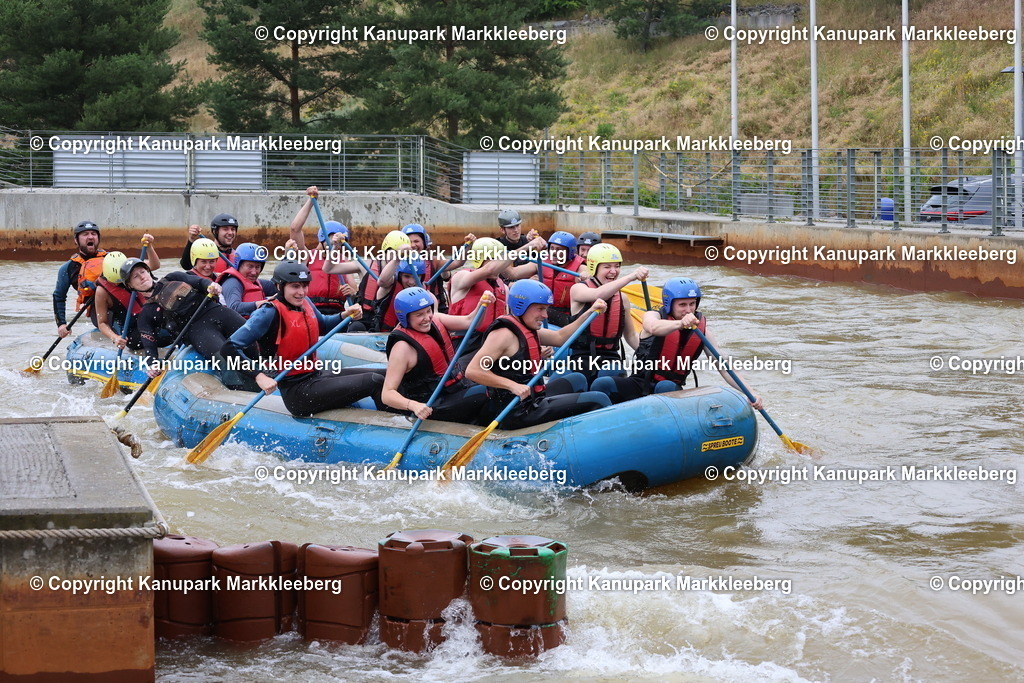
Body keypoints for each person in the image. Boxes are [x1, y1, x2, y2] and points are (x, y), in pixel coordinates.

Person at [220, 261, 384, 417]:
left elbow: (323, 326)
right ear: (279, 286)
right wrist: (259, 376)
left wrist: (345, 315)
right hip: (297, 392)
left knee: (384, 373)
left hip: (315, 375)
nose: (301, 292)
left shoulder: (304, 302)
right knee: (374, 381)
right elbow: (229, 348)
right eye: (295, 286)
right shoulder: (268, 312)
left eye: (305, 285)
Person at [591, 278, 764, 408]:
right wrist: (680, 324)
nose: (688, 310)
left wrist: (751, 392)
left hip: (671, 389)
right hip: (640, 383)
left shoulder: (702, 332)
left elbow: (725, 367)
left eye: (692, 304)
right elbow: (653, 327)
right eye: (682, 305)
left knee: (665, 386)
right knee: (602, 384)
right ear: (669, 304)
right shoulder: (654, 316)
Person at [465, 280, 612, 430]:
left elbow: (560, 337)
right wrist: (512, 385)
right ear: (521, 306)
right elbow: (473, 371)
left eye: (546, 309)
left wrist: (590, 312)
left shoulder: (525, 327)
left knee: (577, 379)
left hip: (534, 398)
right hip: (516, 411)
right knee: (598, 399)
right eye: (540, 309)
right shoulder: (503, 335)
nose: (545, 315)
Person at [381, 287, 494, 424]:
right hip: (432, 404)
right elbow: (387, 394)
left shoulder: (436, 319)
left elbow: (470, 322)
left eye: (428, 311)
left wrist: (482, 304)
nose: (426, 318)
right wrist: (413, 405)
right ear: (405, 317)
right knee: (487, 391)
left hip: (454, 388)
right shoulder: (402, 348)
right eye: (419, 315)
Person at [136, 269, 248, 381]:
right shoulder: (146, 313)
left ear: (148, 272)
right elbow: (149, 345)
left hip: (214, 310)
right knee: (224, 358)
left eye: (142, 272)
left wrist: (211, 285)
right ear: (130, 285)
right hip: (196, 330)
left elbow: (198, 282)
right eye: (135, 276)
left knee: (250, 334)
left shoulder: (173, 276)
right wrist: (152, 365)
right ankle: (239, 385)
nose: (141, 277)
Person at [447, 235, 543, 358]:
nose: (499, 264)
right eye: (493, 259)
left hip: (493, 342)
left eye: (500, 259)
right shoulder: (462, 278)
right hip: (465, 343)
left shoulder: (503, 287)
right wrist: (528, 246)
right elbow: (489, 270)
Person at [568, 244, 645, 385]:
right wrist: (632, 276)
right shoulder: (578, 289)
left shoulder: (623, 299)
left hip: (611, 357)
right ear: (593, 267)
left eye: (617, 266)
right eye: (607, 267)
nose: (613, 271)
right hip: (582, 358)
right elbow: (598, 294)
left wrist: (649, 355)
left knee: (609, 377)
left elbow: (631, 335)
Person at [289, 186, 362, 314]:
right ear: (323, 238)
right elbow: (295, 229)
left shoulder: (343, 261)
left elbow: (355, 290)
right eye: (333, 240)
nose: (336, 245)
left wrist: (352, 292)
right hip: (311, 311)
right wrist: (311, 201)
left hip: (337, 313)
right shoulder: (306, 256)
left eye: (340, 243)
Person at [94, 241, 161, 348]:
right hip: (133, 330)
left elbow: (155, 265)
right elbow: (102, 323)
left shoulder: (130, 267)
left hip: (151, 316)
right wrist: (115, 337)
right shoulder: (101, 292)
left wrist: (149, 248)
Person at [399, 223, 475, 313]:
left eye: (416, 241)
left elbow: (457, 262)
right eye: (409, 241)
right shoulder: (397, 262)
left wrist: (468, 246)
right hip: (408, 308)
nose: (412, 245)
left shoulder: (434, 261)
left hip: (435, 309)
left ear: (424, 243)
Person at [53, 221, 107, 338]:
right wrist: (61, 324)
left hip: (122, 303)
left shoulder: (111, 259)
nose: (90, 236)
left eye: (93, 233)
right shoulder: (68, 268)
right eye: (85, 234)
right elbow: (59, 297)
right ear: (76, 240)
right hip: (97, 311)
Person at [355, 230, 411, 328]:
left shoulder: (406, 274)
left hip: (391, 326)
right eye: (394, 252)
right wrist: (334, 248)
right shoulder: (367, 265)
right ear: (385, 250)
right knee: (356, 326)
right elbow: (329, 268)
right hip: (365, 318)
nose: (412, 282)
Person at [538, 231, 586, 327]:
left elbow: (592, 275)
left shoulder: (581, 268)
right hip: (546, 313)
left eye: (559, 250)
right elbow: (513, 273)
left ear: (569, 252)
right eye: (552, 248)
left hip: (568, 319)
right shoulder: (542, 262)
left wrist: (587, 277)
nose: (554, 253)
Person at [218, 243, 275, 317]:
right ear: (238, 264)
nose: (254, 272)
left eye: (257, 267)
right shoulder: (232, 283)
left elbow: (279, 285)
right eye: (250, 266)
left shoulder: (255, 282)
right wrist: (263, 303)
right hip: (239, 326)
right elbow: (234, 307)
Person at [374, 258, 426, 332]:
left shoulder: (423, 290)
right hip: (384, 334)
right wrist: (397, 258)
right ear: (399, 275)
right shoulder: (390, 285)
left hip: (408, 334)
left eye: (416, 277)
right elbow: (381, 281)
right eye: (406, 276)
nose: (411, 282)